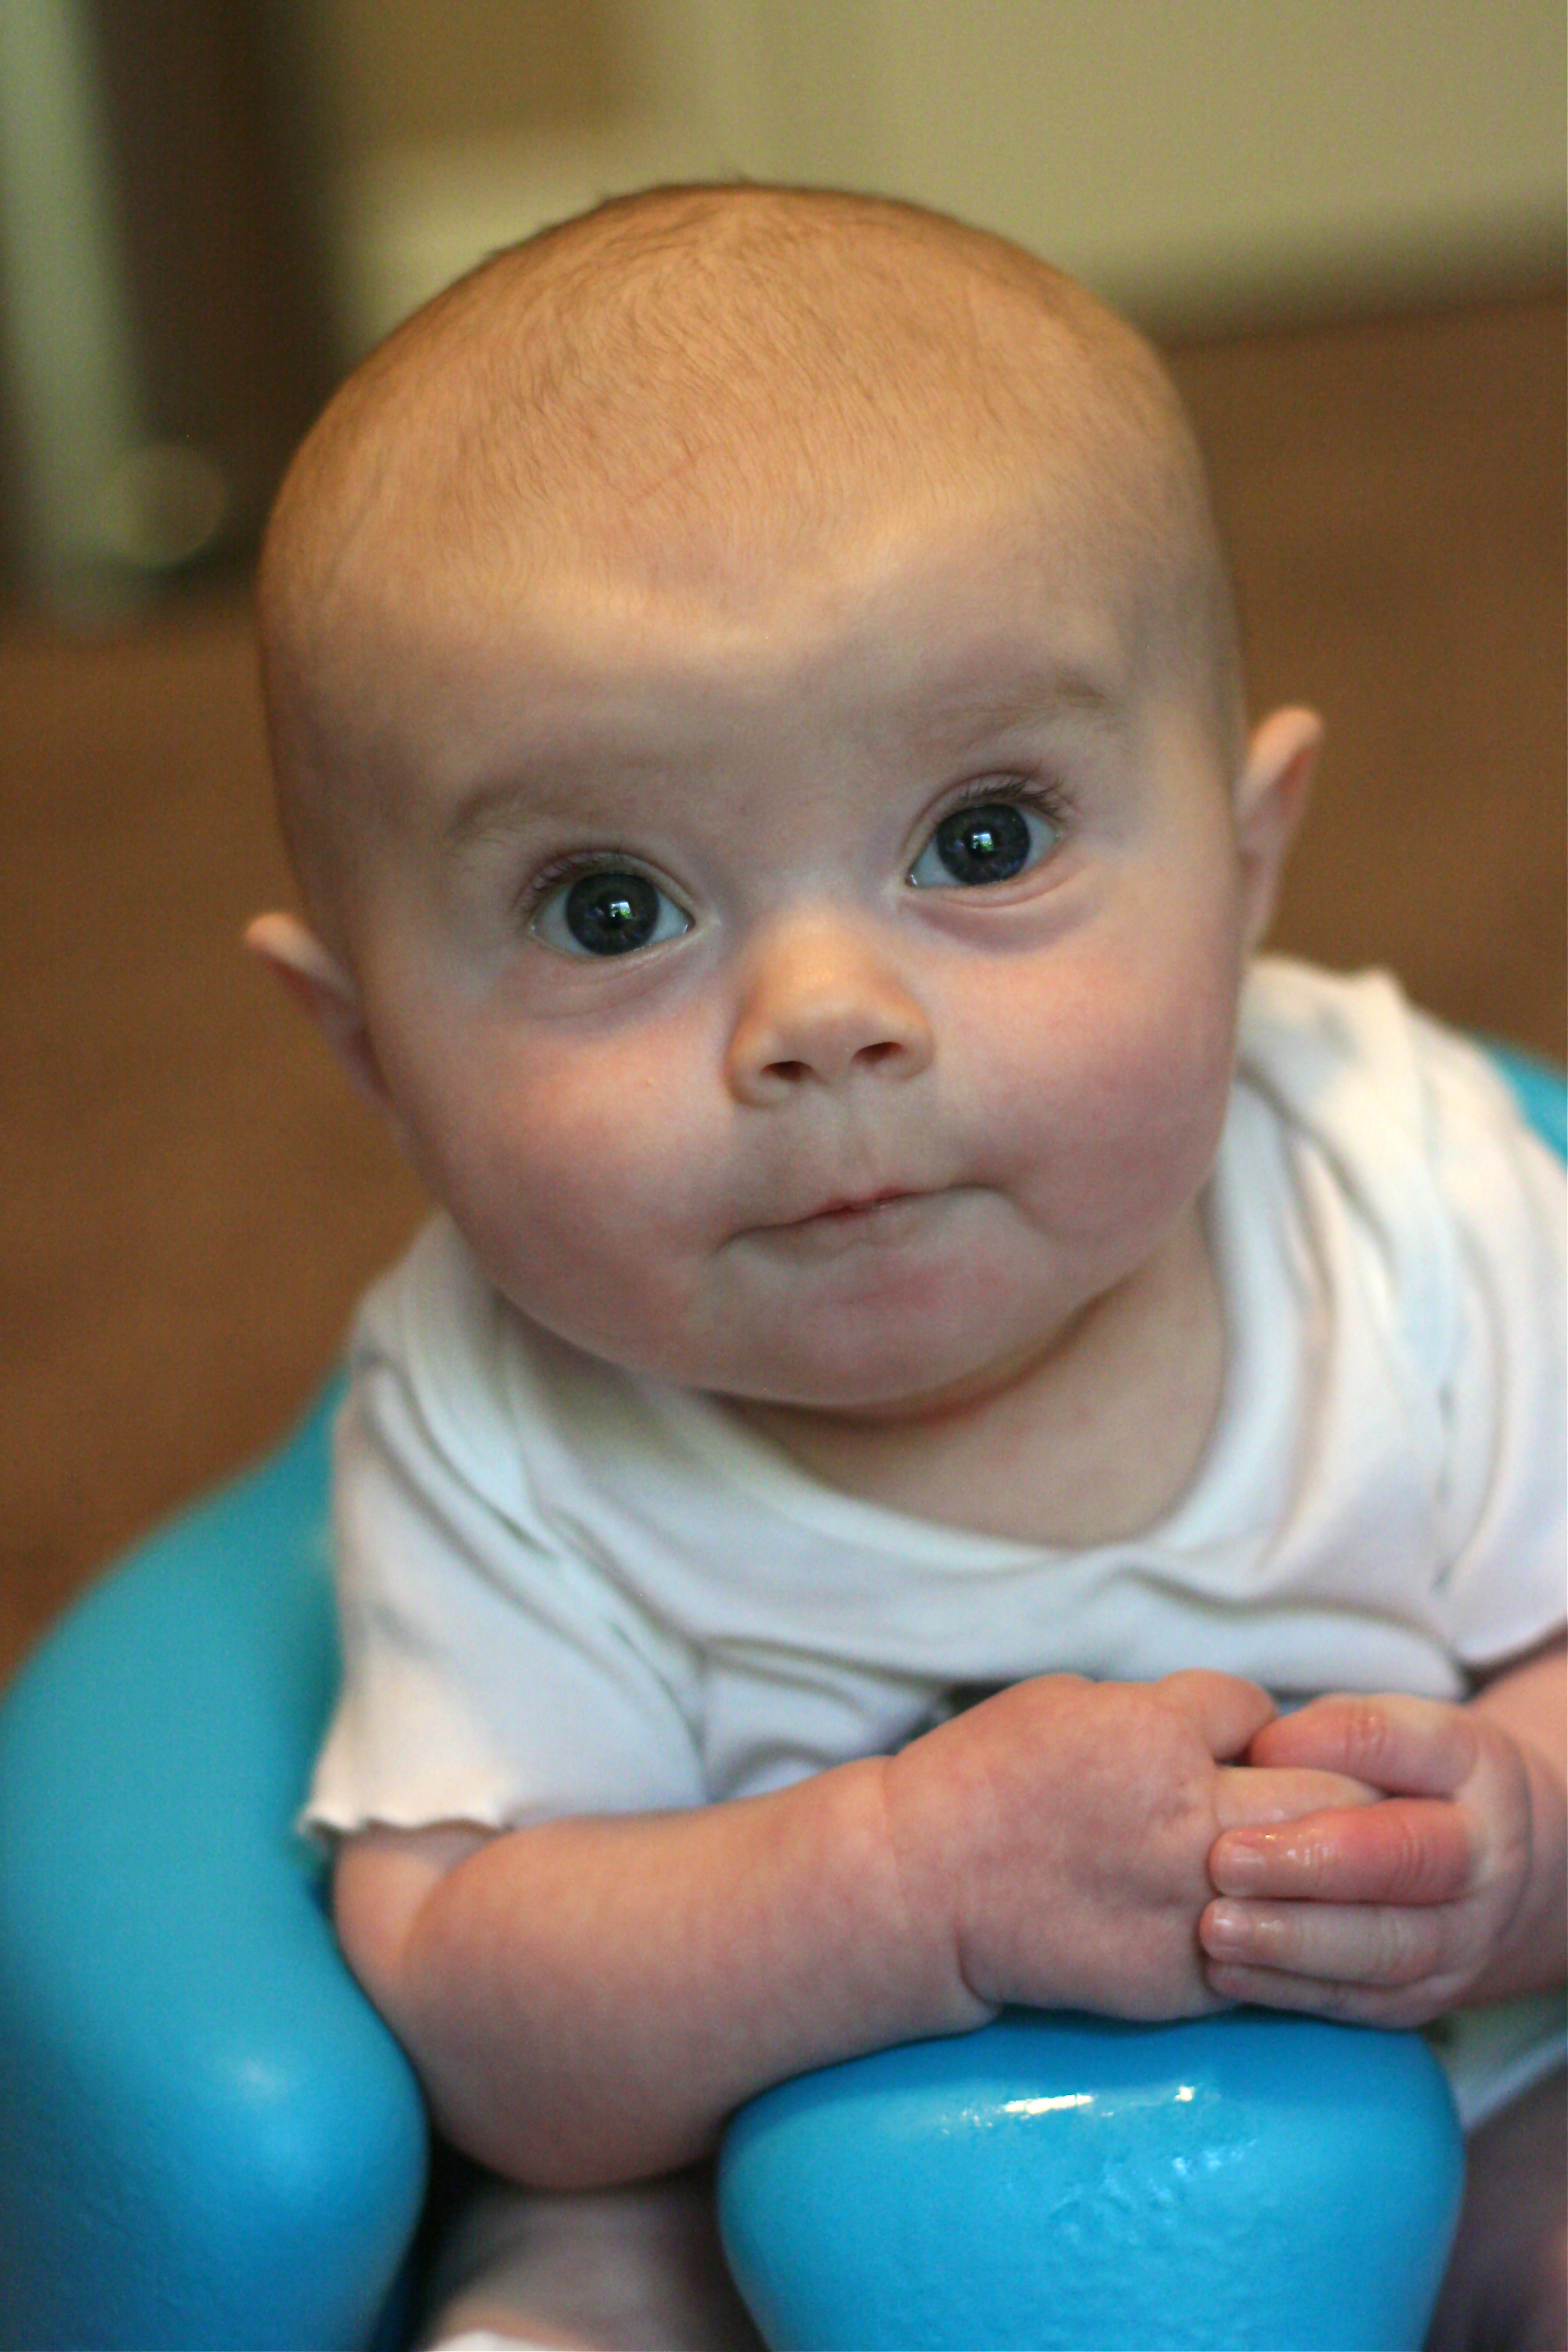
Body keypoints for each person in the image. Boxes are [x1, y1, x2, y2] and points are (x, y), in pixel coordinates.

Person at [246, 185, 1566, 2351]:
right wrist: (903, 1890)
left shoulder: (1405, 1193)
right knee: (561, 2284)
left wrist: (1511, 1855)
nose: (826, 1016)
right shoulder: (492, 1417)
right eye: (609, 909)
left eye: (984, 840)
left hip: (1472, 2081)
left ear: (1246, 870)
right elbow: (487, 2022)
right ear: (373, 1047)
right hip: (732, 2179)